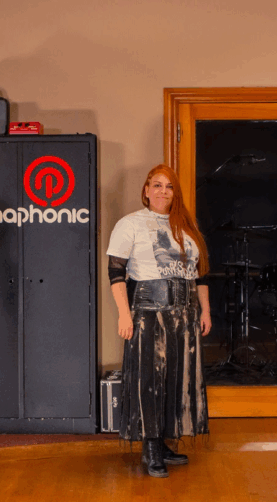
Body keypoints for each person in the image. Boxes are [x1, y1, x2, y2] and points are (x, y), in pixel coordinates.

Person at [106, 164, 212, 478]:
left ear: (175, 193)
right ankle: (150, 447)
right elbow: (116, 273)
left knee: (176, 379)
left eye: (169, 186)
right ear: (146, 190)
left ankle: (164, 442)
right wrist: (124, 314)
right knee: (149, 379)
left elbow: (201, 275)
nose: (162, 191)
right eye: (157, 185)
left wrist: (205, 311)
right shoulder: (130, 224)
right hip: (148, 312)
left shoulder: (187, 226)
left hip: (185, 314)